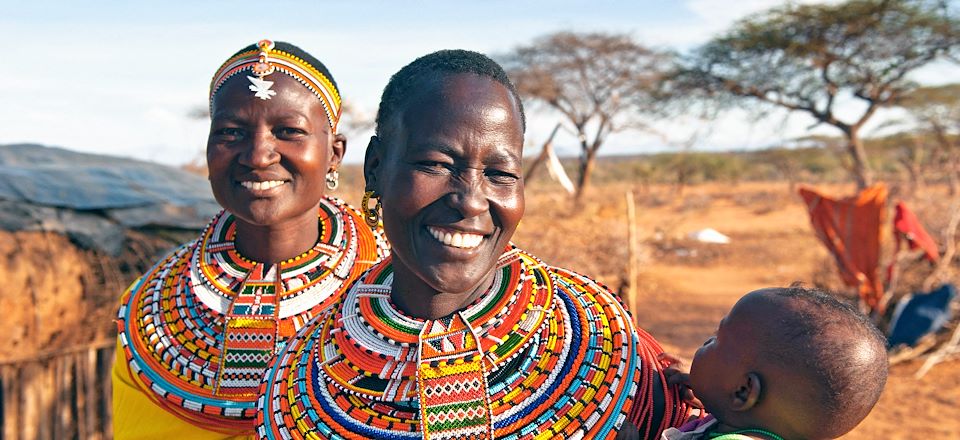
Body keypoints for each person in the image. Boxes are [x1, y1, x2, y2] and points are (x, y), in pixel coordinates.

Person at [256, 49, 689, 440]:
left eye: (500, 174)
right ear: (375, 169)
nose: (470, 201)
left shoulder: (606, 345)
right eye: (435, 164)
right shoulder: (298, 377)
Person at [113, 39, 389, 439]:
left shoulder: (399, 290)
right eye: (231, 132)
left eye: (289, 131)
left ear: (334, 154)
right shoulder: (149, 309)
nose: (259, 155)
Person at [660, 286, 889, 440]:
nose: (707, 341)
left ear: (742, 391)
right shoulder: (748, 421)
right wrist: (711, 388)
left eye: (717, 340)